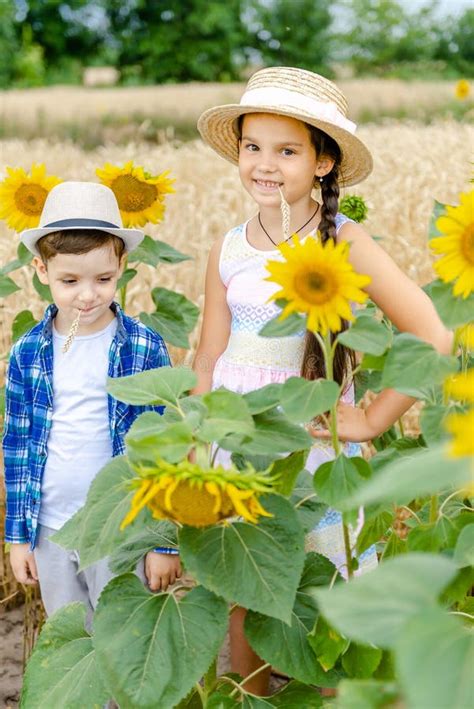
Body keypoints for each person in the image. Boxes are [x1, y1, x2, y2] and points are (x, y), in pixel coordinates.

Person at [192, 66, 452, 695]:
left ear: (325, 163)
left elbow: (433, 335)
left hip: (312, 444)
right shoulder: (228, 246)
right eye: (253, 148)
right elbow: (208, 356)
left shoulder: (347, 242)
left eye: (287, 151)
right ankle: (254, 697)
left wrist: (370, 419)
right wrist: (200, 443)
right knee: (243, 587)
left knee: (327, 595)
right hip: (236, 437)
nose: (265, 165)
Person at [3, 181, 181, 620]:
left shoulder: (142, 346)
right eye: (70, 280)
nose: (88, 294)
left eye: (103, 279)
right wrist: (18, 538)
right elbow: (18, 446)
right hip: (51, 527)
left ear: (123, 264)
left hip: (120, 525)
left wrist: (162, 541)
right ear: (42, 271)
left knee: (123, 634)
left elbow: (165, 446)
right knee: (73, 642)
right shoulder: (28, 351)